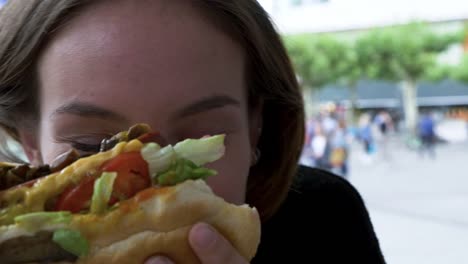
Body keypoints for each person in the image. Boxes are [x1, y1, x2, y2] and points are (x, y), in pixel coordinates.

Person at [0, 1, 386, 263]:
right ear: (29, 140)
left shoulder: (325, 220)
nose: (152, 187)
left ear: (257, 129)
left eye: (201, 137)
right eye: (89, 144)